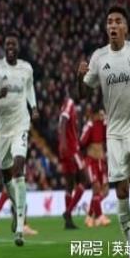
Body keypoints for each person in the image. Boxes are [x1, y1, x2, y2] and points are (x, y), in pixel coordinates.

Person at [78, 6, 130, 258]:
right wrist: (79, 78)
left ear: (126, 27)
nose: (112, 25)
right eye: (109, 22)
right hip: (114, 135)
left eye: (118, 21)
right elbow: (83, 92)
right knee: (121, 192)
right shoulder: (98, 57)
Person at [0, 32, 39, 247]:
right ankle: (17, 210)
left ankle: (20, 227)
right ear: (5, 48)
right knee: (7, 176)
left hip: (21, 125)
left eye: (14, 44)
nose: (11, 47)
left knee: (19, 167)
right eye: (7, 44)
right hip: (3, 130)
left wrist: (34, 107)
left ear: (18, 47)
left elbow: (30, 89)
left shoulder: (26, 68)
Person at [58, 93, 89, 229]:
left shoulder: (67, 104)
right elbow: (63, 122)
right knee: (85, 179)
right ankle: (68, 212)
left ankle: (68, 221)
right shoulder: (70, 103)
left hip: (67, 148)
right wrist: (64, 143)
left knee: (69, 185)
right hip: (71, 149)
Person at [80, 109, 111, 228]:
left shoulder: (103, 125)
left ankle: (89, 215)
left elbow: (109, 136)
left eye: (103, 114)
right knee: (96, 187)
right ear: (95, 114)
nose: (102, 116)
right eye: (101, 114)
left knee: (105, 190)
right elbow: (82, 142)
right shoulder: (90, 125)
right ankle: (100, 216)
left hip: (100, 161)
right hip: (91, 161)